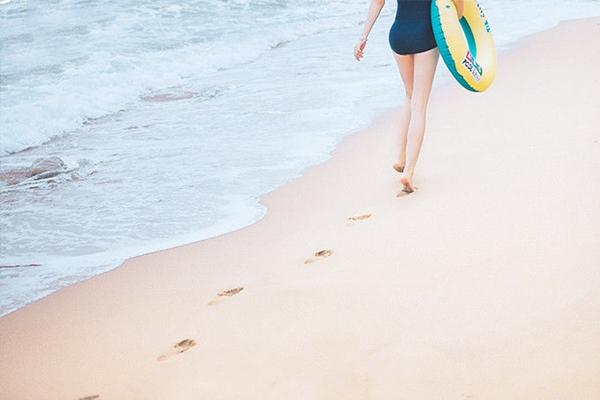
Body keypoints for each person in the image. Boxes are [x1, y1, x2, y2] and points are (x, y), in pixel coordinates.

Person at [354, 0, 464, 193]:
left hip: (398, 36)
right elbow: (457, 6)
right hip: (424, 37)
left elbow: (378, 2)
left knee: (409, 94)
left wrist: (363, 37)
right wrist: (460, 13)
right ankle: (409, 172)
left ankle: (400, 157)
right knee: (419, 104)